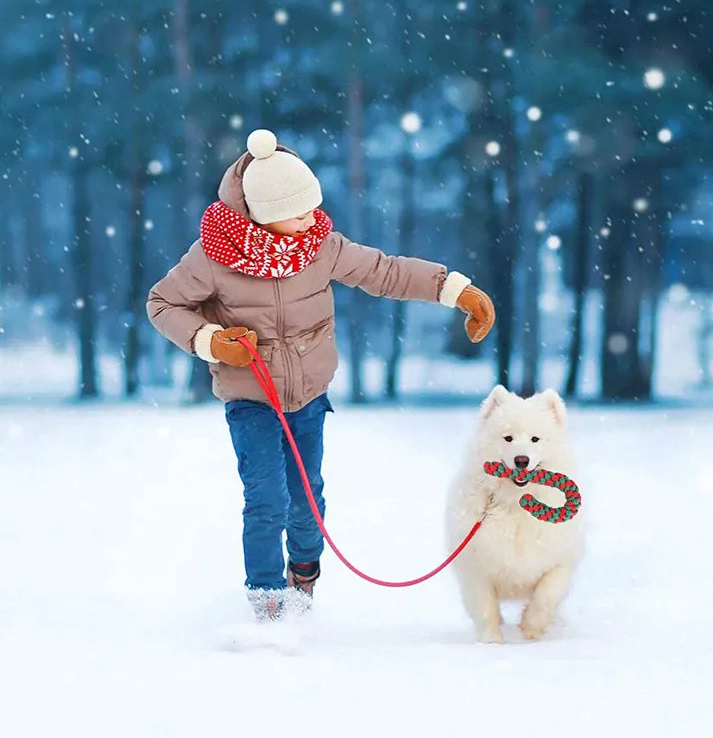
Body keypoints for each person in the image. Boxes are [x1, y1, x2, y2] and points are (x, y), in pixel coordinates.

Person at [146, 129, 495, 620]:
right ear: (262, 213)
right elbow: (162, 303)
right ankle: (266, 599)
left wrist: (455, 291)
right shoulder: (212, 257)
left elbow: (385, 272)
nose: (311, 218)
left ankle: (303, 575)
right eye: (298, 211)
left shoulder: (320, 246)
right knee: (265, 499)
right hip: (251, 399)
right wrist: (210, 340)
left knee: (307, 503)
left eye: (313, 206)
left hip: (309, 397)